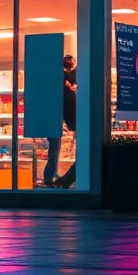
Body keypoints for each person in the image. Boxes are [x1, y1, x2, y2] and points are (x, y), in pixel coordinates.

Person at [54, 55, 80, 188]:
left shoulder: (65, 89)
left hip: (75, 124)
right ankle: (65, 181)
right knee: (84, 156)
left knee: (82, 156)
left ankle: (65, 181)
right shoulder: (68, 92)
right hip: (78, 124)